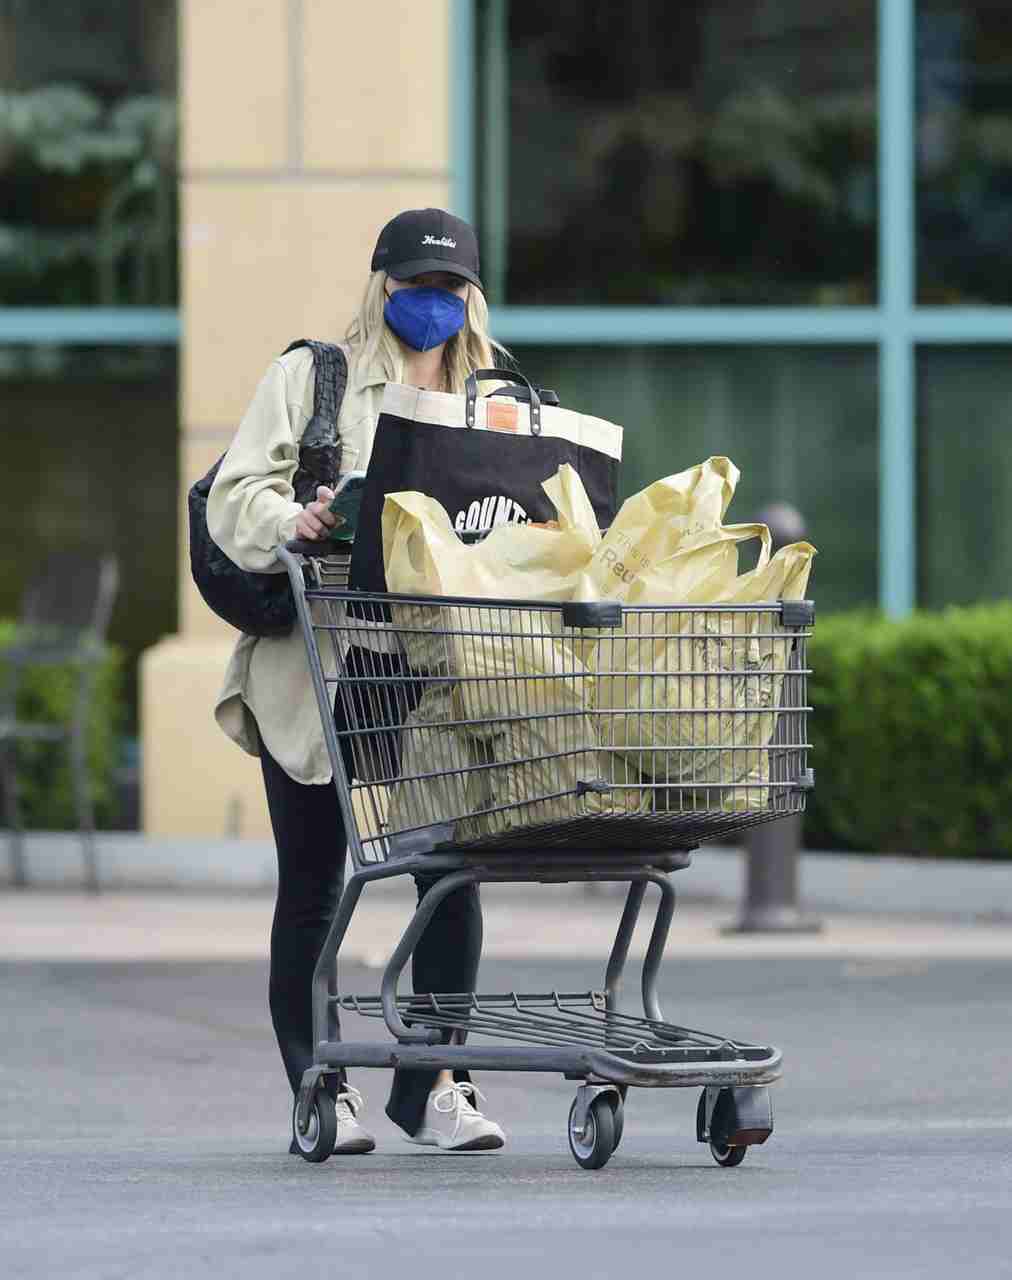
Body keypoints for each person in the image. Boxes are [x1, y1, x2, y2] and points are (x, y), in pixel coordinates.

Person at [207, 208, 508, 1155]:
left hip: (429, 666)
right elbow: (234, 495)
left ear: (471, 296)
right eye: (414, 288)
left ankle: (434, 1085)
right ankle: (319, 1088)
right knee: (314, 883)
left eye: (448, 290)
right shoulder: (315, 379)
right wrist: (297, 520)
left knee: (450, 875)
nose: (432, 306)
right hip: (321, 660)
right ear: (381, 286)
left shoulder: (497, 398)